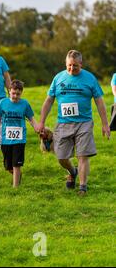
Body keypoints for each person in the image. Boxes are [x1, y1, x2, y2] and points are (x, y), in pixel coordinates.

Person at [38, 50, 110, 195]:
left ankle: (83, 187)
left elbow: (99, 102)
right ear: (66, 64)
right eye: (69, 65)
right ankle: (72, 171)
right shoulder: (58, 78)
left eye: (75, 66)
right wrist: (41, 122)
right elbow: (49, 101)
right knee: (61, 157)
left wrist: (105, 124)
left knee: (82, 155)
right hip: (63, 123)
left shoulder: (90, 79)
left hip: (84, 123)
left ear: (81, 64)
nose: (72, 68)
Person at [0, 80, 38, 187]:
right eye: (13, 93)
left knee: (16, 164)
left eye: (18, 94)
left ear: (21, 93)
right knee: (8, 166)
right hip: (5, 139)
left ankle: (15, 187)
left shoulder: (25, 104)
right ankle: (17, 175)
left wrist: (37, 128)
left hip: (20, 139)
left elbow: (31, 118)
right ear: (9, 91)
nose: (15, 96)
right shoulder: (3, 103)